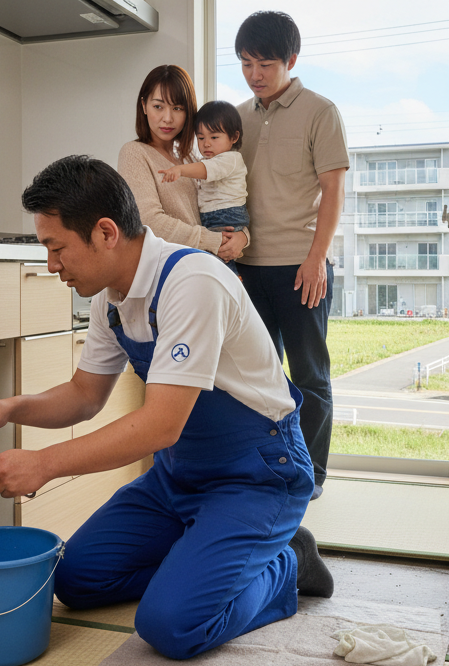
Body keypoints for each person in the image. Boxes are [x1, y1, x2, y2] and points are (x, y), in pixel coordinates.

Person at [0, 155, 334, 661]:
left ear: (105, 232)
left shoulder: (192, 284)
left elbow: (161, 424)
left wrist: (43, 464)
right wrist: (8, 408)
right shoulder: (112, 300)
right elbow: (83, 395)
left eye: (57, 249)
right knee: (75, 579)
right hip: (178, 478)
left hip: (255, 477)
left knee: (172, 626)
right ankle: (203, 556)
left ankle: (287, 563)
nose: (52, 266)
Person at [233, 12, 349, 501]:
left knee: (310, 375)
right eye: (245, 63)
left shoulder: (320, 111)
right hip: (245, 267)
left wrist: (317, 257)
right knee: (255, 377)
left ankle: (312, 475)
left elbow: (333, 188)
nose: (255, 74)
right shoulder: (236, 116)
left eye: (265, 64)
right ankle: (265, 470)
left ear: (291, 61)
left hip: (302, 267)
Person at [118, 65, 248, 272]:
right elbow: (150, 222)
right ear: (144, 106)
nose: (167, 118)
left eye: (177, 108)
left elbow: (223, 201)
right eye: (158, 106)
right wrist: (214, 241)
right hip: (166, 273)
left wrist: (242, 236)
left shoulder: (191, 157)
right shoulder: (134, 153)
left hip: (201, 268)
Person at [159, 100, 249, 274]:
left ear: (234, 137)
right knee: (217, 257)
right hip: (215, 216)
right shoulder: (210, 159)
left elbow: (205, 171)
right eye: (200, 138)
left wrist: (180, 170)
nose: (206, 144)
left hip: (226, 215)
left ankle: (233, 280)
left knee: (221, 257)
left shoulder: (231, 159)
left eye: (214, 137)